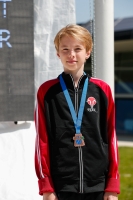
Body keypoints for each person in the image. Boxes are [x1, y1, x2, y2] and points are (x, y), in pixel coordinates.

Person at [34, 24, 120, 200]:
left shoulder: (102, 90)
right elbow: (41, 141)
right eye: (65, 49)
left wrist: (112, 185)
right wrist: (47, 187)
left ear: (87, 52)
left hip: (98, 184)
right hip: (61, 185)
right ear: (58, 53)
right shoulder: (47, 92)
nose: (71, 54)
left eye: (77, 48)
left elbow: (111, 137)